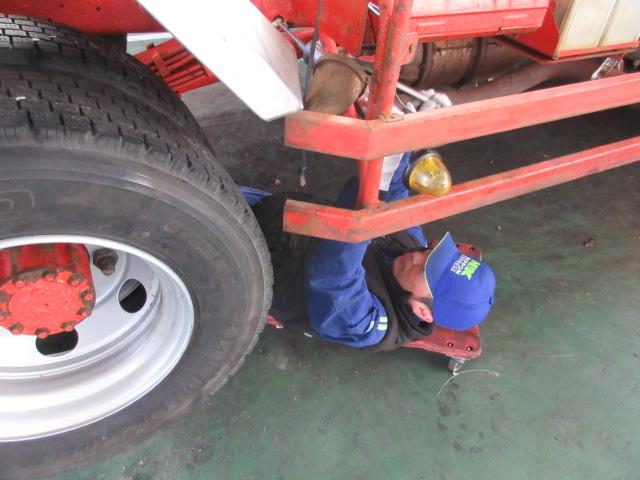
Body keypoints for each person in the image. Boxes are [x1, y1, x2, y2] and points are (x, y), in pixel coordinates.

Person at [242, 152, 496, 352]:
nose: (418, 255)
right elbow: (396, 191)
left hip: (245, 261)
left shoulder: (369, 325)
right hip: (271, 212)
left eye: (426, 269)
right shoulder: (411, 247)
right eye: (433, 254)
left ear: (422, 311)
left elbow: (334, 275)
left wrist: (369, 205)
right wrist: (399, 139)